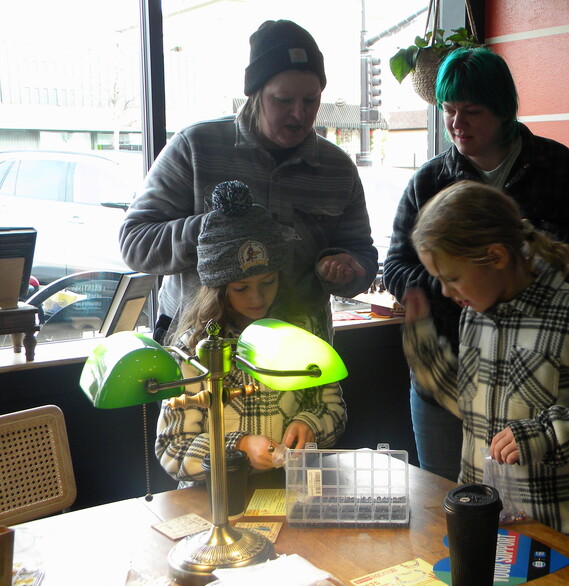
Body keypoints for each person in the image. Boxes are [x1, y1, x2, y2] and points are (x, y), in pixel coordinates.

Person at [383, 46, 569, 481]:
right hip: (449, 376)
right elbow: (395, 267)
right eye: (449, 110)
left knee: (527, 515)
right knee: (446, 502)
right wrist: (455, 286)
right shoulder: (431, 180)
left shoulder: (556, 167)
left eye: (471, 111)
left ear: (504, 110)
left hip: (540, 383)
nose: (456, 124)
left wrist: (530, 287)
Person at [402, 180, 569, 548]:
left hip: (567, 532)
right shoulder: (476, 316)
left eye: (451, 278)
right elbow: (475, 410)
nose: (444, 291)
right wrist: (430, 364)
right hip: (495, 519)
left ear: (497, 257)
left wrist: (548, 434)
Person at [120, 19, 378, 344]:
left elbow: (363, 255)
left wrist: (346, 268)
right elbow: (135, 244)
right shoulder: (195, 147)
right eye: (284, 100)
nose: (299, 114)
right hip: (199, 347)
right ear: (255, 93)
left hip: (297, 351)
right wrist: (212, 231)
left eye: (311, 100)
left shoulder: (337, 167)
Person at [156, 181, 346, 486]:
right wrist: (239, 445)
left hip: (287, 491)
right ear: (218, 290)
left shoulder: (302, 333)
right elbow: (172, 448)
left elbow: (332, 408)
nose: (257, 299)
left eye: (268, 282)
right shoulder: (194, 348)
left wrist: (308, 423)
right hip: (215, 497)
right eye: (241, 288)